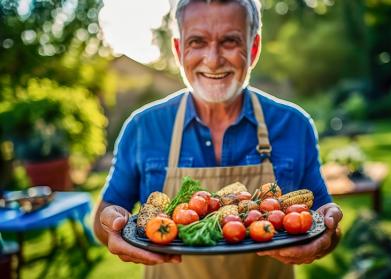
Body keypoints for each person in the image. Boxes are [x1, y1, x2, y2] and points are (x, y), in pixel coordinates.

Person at [93, 0, 343, 278]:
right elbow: (103, 221)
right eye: (197, 42)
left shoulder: (294, 125)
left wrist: (328, 238)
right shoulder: (142, 128)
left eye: (229, 41)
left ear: (254, 48)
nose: (212, 59)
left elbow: (325, 224)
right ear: (178, 50)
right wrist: (111, 229)